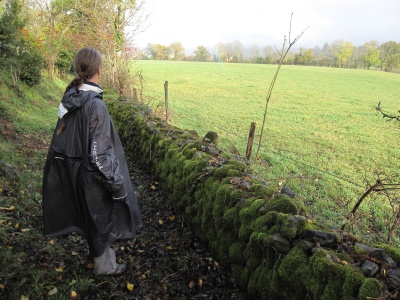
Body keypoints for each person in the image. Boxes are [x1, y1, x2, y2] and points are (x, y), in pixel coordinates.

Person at [42, 47, 142, 275]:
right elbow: (99, 155)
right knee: (100, 219)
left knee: (92, 217)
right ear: (98, 69)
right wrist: (117, 186)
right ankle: (104, 268)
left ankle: (103, 259)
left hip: (75, 170)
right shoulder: (96, 105)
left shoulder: (72, 96)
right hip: (91, 175)